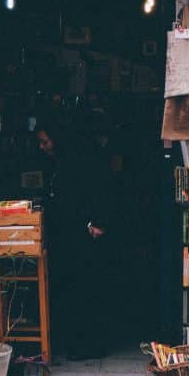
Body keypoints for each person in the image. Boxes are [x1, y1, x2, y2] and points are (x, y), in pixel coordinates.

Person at [35, 121, 113, 360]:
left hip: (81, 234)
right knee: (73, 289)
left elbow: (92, 192)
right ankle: (77, 344)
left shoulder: (77, 162)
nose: (42, 147)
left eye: (45, 141)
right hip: (69, 235)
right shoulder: (59, 163)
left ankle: (87, 345)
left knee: (85, 288)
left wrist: (94, 222)